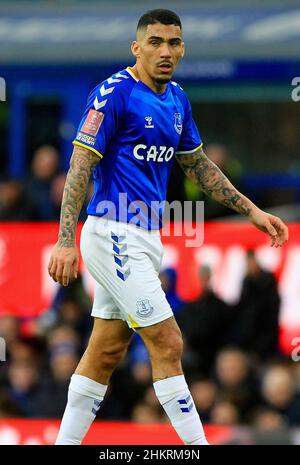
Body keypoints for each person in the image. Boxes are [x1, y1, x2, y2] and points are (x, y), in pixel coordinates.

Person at [48, 9, 288, 446]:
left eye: (173, 43)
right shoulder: (112, 94)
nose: (165, 51)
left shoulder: (176, 97)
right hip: (111, 232)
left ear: (182, 48)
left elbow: (196, 163)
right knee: (168, 340)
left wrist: (251, 210)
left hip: (146, 236)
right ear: (136, 48)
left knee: (105, 351)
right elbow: (81, 164)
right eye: (155, 42)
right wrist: (66, 241)